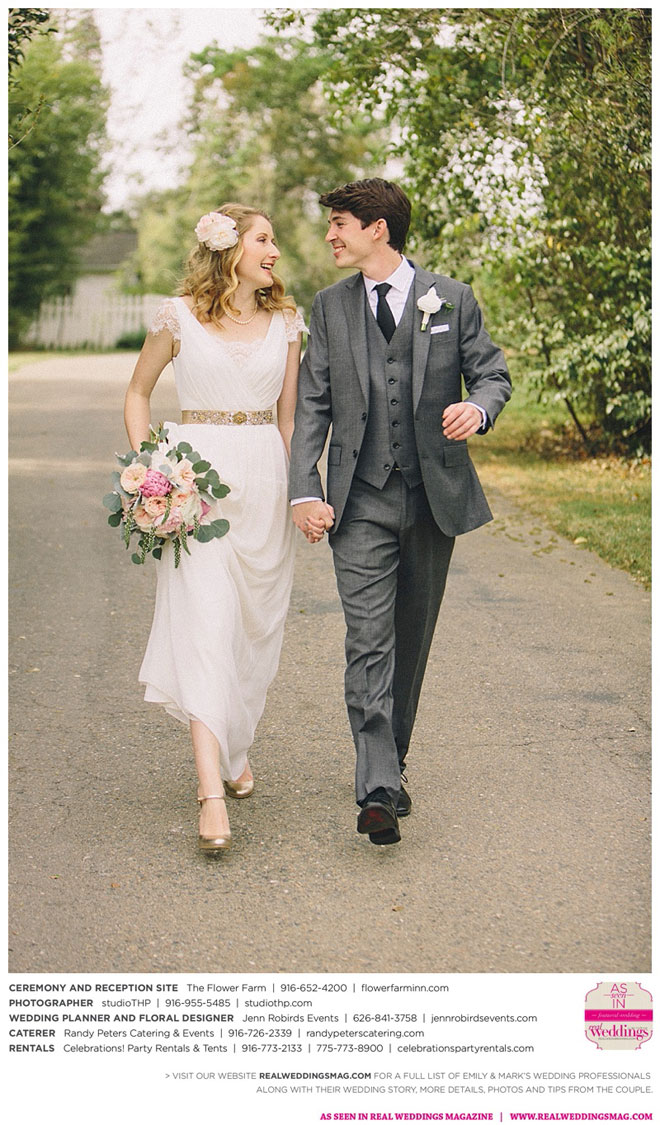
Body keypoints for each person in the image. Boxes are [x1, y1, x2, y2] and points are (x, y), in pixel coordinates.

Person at [289, 178, 511, 846]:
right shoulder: (330, 306)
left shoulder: (451, 298)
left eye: (340, 223)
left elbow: (492, 374)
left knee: (410, 641)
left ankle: (392, 758)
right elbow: (313, 403)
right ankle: (378, 788)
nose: (330, 234)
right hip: (358, 500)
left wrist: (478, 408)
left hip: (432, 497)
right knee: (368, 640)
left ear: (377, 228)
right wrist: (305, 488)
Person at [124, 204, 305, 853]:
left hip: (265, 484)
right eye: (264, 239)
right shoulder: (177, 317)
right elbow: (138, 393)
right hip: (193, 486)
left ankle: (234, 748)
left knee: (252, 634)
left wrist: (303, 492)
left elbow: (289, 420)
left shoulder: (288, 324)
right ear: (229, 249)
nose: (275, 250)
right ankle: (211, 794)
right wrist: (151, 471)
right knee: (204, 624)